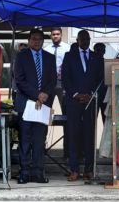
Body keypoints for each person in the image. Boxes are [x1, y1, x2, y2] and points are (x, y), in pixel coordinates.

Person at [14, 28, 56, 184]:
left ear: (43, 41)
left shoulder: (50, 58)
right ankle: (24, 172)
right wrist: (36, 94)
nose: (36, 41)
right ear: (29, 40)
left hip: (43, 105)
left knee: (39, 139)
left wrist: (44, 94)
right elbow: (19, 80)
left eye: (39, 39)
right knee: (25, 139)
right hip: (26, 103)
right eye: (33, 39)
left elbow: (53, 80)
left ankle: (37, 172)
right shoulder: (21, 56)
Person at [61, 30, 104, 182]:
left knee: (89, 136)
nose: (84, 41)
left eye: (87, 38)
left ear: (89, 40)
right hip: (73, 102)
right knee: (73, 136)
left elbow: (100, 78)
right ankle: (74, 170)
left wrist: (91, 94)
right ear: (77, 40)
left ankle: (88, 170)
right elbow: (65, 78)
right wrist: (76, 94)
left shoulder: (96, 57)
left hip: (90, 102)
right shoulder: (69, 56)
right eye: (82, 38)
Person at [43, 27, 71, 155]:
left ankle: (68, 150)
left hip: (63, 83)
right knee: (44, 114)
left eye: (57, 34)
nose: (55, 36)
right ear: (50, 36)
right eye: (53, 34)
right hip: (49, 84)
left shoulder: (67, 48)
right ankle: (42, 145)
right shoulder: (46, 49)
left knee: (67, 115)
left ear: (61, 35)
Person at [93, 42, 108, 123]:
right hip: (93, 94)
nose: (100, 52)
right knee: (92, 121)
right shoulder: (90, 63)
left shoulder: (107, 63)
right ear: (94, 51)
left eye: (102, 50)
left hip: (105, 94)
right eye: (98, 50)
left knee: (105, 119)